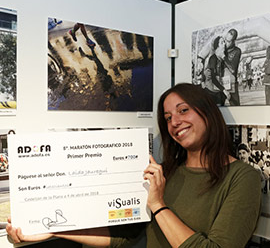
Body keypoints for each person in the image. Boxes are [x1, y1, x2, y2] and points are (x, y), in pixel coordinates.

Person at [7, 83, 261, 247]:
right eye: (168, 117)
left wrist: (158, 205)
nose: (175, 122)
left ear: (207, 113)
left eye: (183, 111)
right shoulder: (167, 173)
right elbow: (124, 239)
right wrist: (51, 229)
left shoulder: (243, 178)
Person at [203, 35, 230, 106]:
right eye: (222, 42)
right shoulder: (213, 58)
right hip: (211, 92)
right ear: (217, 46)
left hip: (218, 90)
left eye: (224, 42)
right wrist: (224, 90)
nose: (224, 44)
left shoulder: (221, 59)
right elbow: (213, 78)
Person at [222, 28, 242, 105]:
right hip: (220, 83)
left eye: (229, 41)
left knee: (236, 107)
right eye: (225, 40)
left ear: (233, 41)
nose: (226, 43)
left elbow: (233, 69)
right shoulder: (221, 48)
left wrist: (223, 57)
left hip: (231, 83)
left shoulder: (237, 51)